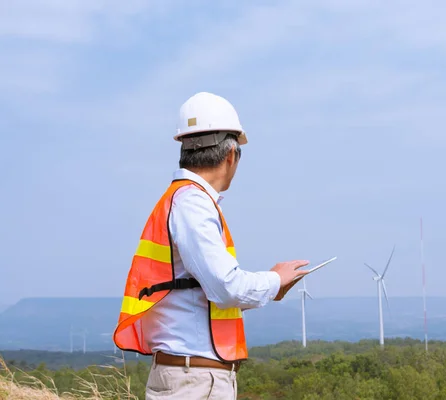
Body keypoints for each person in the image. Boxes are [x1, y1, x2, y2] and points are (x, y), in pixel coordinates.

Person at [112, 91, 309, 399]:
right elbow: (224, 286)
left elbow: (201, 291)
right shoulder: (193, 203)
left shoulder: (182, 201)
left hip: (191, 378)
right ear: (231, 157)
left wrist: (270, 290)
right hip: (193, 382)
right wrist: (275, 280)